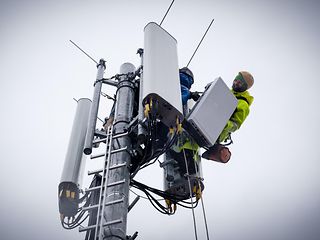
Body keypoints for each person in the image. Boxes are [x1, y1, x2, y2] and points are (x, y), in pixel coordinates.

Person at [202, 71, 254, 163]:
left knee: (189, 143)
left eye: (240, 82)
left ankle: (185, 162)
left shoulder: (243, 104)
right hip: (205, 120)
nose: (236, 83)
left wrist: (223, 122)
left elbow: (235, 125)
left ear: (245, 87)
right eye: (236, 80)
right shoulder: (226, 93)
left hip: (216, 132)